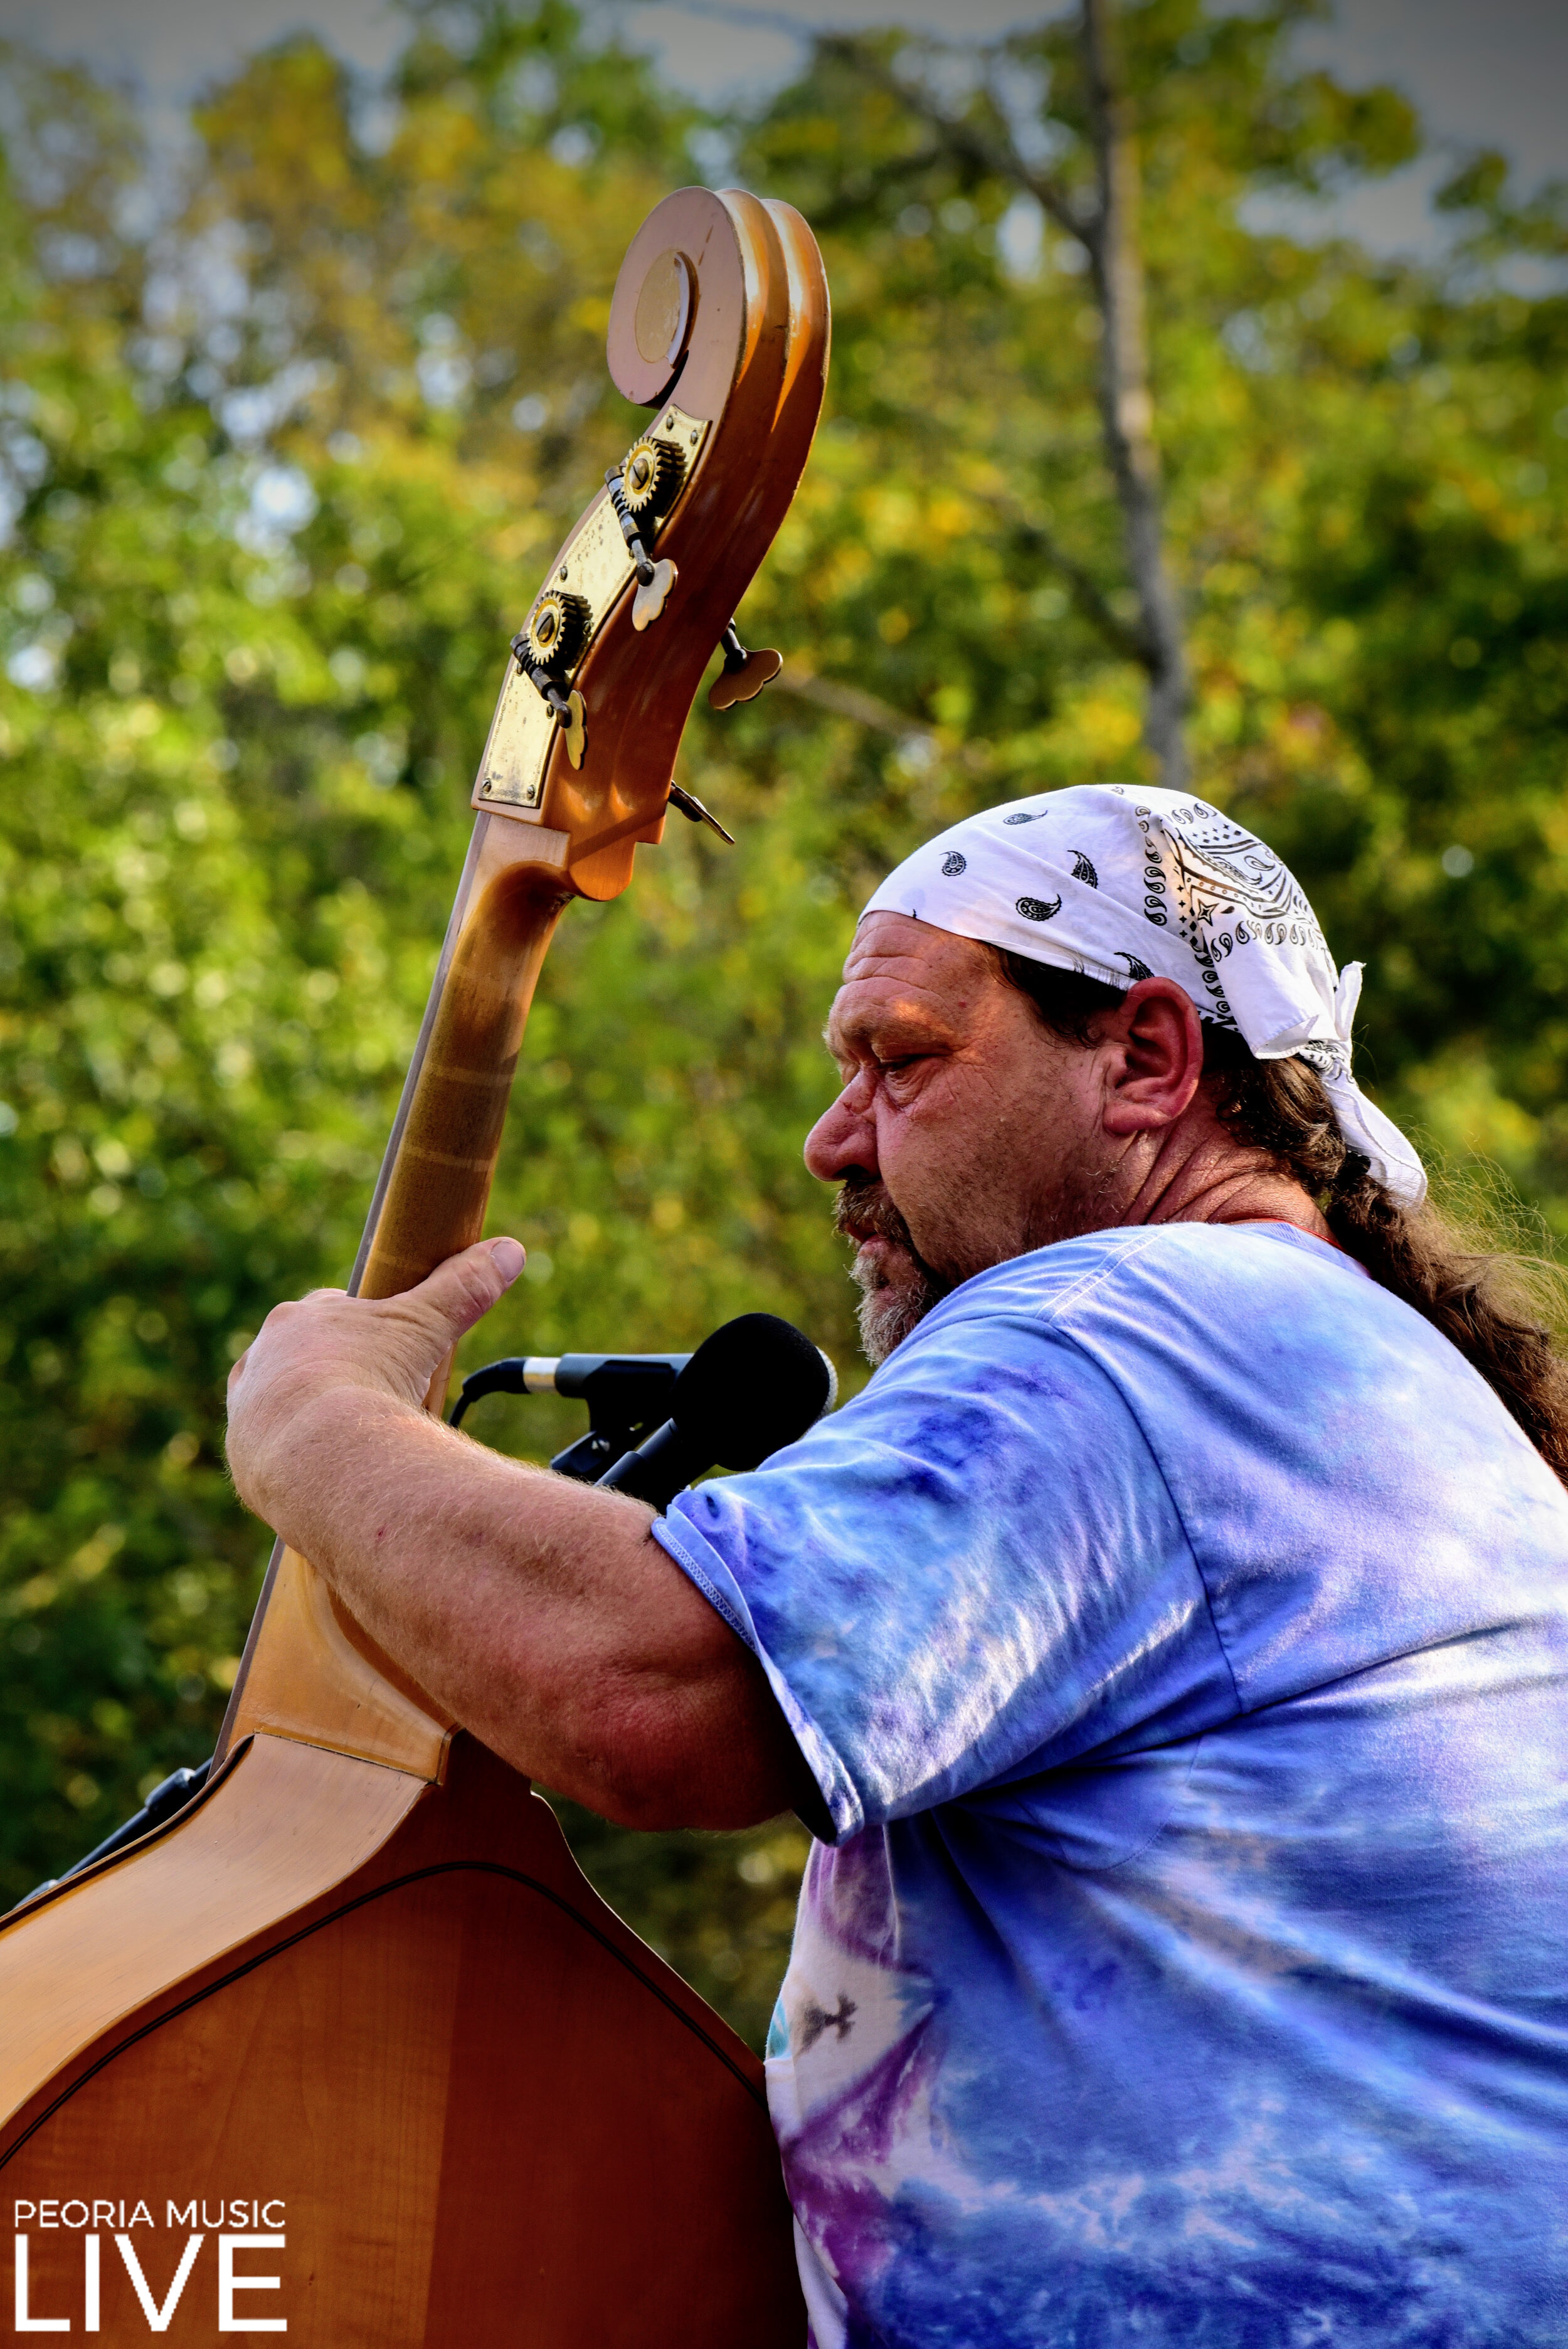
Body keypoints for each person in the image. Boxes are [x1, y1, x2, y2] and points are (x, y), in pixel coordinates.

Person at [226, 783, 1568, 2347]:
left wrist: (309, 1416)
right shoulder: (1321, 1352)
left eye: (901, 1060)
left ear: (1143, 1059)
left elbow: (649, 1684)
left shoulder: (1129, 1327)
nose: (829, 1139)